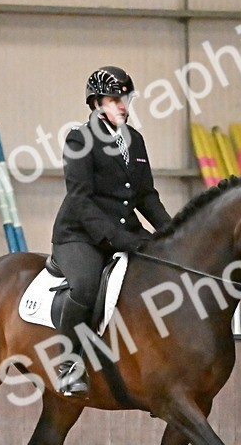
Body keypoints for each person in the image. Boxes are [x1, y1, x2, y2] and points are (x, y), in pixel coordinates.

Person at [49, 66, 173, 398]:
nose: (122, 106)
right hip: (80, 234)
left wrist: (172, 232)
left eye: (126, 99)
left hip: (124, 230)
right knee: (86, 287)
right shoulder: (79, 138)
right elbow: (80, 199)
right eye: (115, 99)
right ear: (96, 102)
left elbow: (146, 196)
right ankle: (69, 363)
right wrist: (119, 239)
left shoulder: (136, 139)